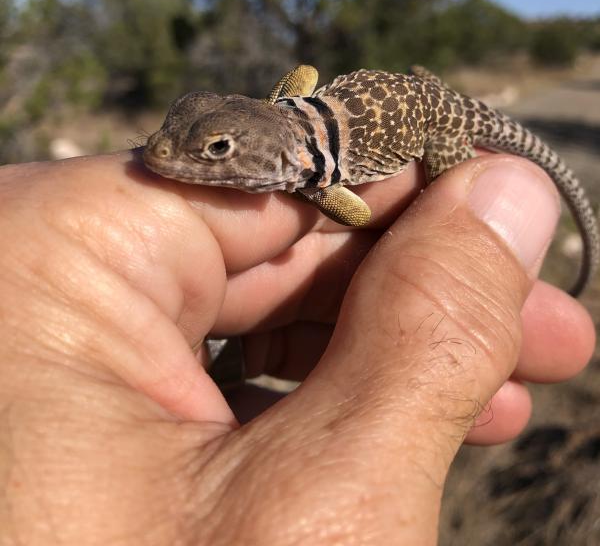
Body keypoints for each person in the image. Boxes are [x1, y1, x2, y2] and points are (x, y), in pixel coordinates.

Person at [0, 150, 594, 544]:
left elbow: (355, 209)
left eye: (218, 151)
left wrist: (462, 231)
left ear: (272, 157)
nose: (159, 154)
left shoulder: (316, 178)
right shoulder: (295, 130)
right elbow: (304, 79)